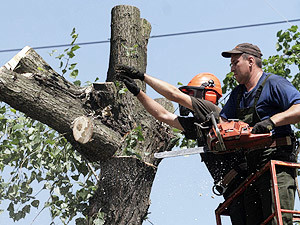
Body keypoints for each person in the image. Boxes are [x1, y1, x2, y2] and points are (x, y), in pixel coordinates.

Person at [115, 65, 247, 225]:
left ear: (207, 93)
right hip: (231, 189)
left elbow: (174, 95)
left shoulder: (211, 110)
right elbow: (162, 115)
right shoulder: (200, 125)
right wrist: (138, 92)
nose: (187, 98)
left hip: (243, 182)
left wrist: (142, 76)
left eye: (192, 94)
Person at [220, 43, 300, 225]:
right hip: (252, 169)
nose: (232, 68)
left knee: (277, 220)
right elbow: (223, 122)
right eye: (230, 65)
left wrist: (272, 122)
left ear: (250, 61)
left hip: (275, 164)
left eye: (235, 63)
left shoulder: (274, 83)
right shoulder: (238, 95)